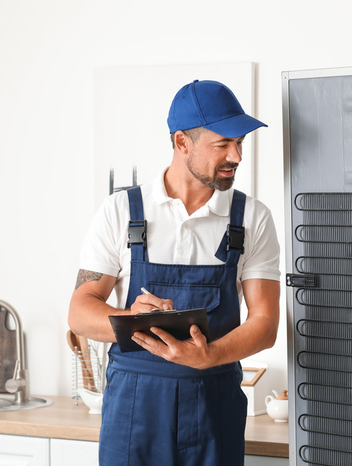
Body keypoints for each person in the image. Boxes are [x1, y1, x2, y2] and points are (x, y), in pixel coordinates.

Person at [68, 79, 281, 466]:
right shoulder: (120, 212)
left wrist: (210, 354)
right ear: (182, 142)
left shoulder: (251, 218)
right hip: (134, 410)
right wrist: (131, 317)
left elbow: (265, 324)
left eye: (240, 143)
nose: (236, 155)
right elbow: (80, 311)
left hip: (213, 407)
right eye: (223, 144)